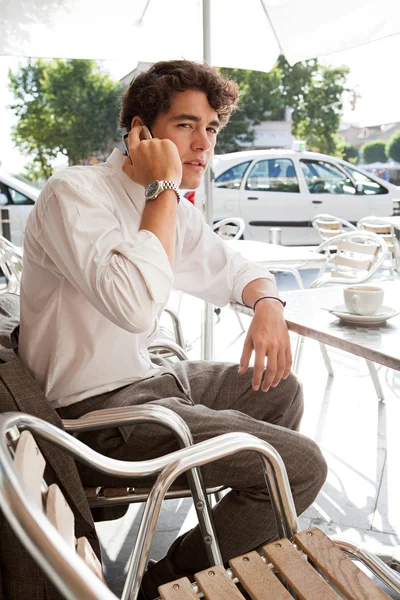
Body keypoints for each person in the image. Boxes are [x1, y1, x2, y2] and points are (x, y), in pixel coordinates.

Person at [19, 60, 327, 599]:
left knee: (279, 388)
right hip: (98, 416)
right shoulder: (74, 194)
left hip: (153, 380)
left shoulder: (168, 209)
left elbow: (230, 267)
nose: (203, 144)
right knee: (300, 467)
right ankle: (170, 584)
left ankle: (234, 534)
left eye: (210, 129)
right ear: (140, 130)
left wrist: (269, 303)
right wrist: (162, 186)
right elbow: (135, 307)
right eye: (186, 125)